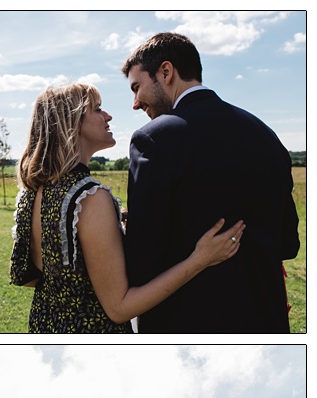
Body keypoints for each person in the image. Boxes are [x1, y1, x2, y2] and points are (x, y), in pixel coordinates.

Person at [9, 81, 242, 331]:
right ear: (72, 122)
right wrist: (200, 259)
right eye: (97, 110)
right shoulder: (89, 197)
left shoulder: (34, 192)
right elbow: (120, 308)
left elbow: (31, 277)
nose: (107, 115)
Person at [121, 30, 301, 332]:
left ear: (166, 72)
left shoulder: (154, 139)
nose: (136, 103)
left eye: (137, 88)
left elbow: (141, 265)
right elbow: (288, 243)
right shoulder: (265, 134)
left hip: (186, 328)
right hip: (265, 325)